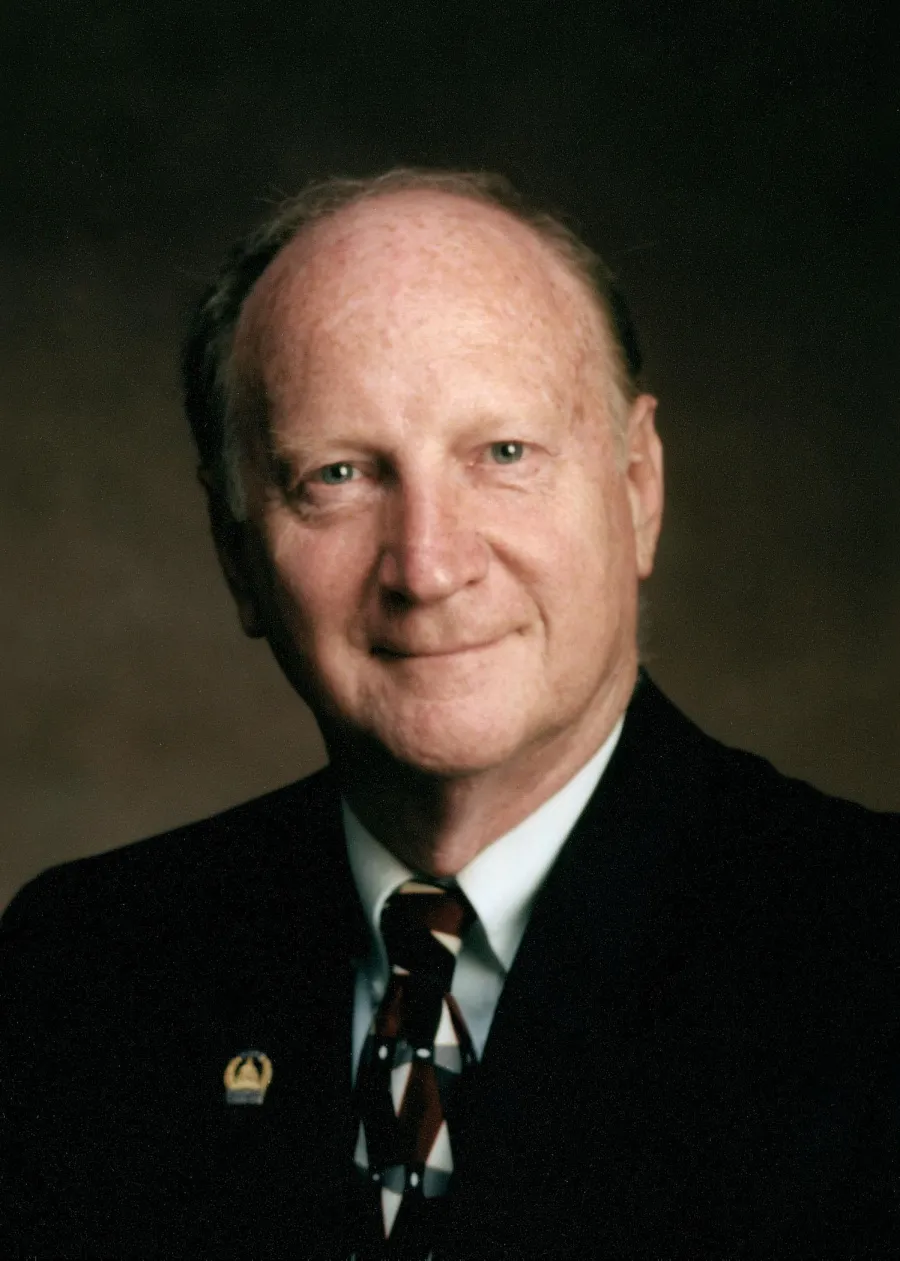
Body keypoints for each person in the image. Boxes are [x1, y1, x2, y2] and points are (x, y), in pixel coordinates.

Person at [1, 169, 898, 1260]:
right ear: (238, 554)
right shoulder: (82, 975)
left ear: (638, 486)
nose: (426, 566)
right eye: (338, 474)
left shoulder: (867, 951)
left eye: (504, 455)